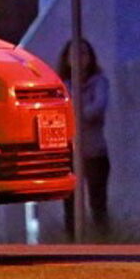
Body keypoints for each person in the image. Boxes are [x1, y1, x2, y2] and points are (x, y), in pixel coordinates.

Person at [59, 38, 110, 237]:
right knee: (69, 204)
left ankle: (103, 240)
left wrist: (74, 112)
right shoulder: (63, 85)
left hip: (95, 150)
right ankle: (71, 241)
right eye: (74, 54)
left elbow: (97, 109)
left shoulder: (99, 81)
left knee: (98, 201)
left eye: (83, 54)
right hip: (70, 151)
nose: (79, 59)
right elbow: (61, 113)